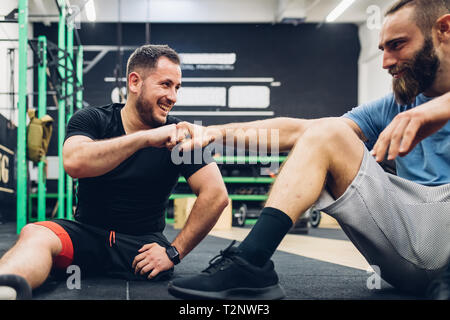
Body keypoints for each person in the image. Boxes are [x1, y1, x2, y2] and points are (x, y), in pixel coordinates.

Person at [168, 0, 450, 300]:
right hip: (411, 245)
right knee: (327, 132)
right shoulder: (396, 106)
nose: (386, 62)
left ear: (444, 30)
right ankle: (249, 264)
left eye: (397, 45)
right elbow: (304, 132)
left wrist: (441, 108)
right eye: (382, 49)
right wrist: (215, 132)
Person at [0, 44, 229, 300]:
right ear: (134, 82)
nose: (173, 96)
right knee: (35, 233)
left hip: (143, 250)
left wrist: (174, 252)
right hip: (86, 237)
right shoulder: (92, 119)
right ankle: (5, 290)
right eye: (165, 84)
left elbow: (216, 194)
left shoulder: (182, 136)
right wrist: (145, 139)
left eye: (177, 87)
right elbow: (75, 163)